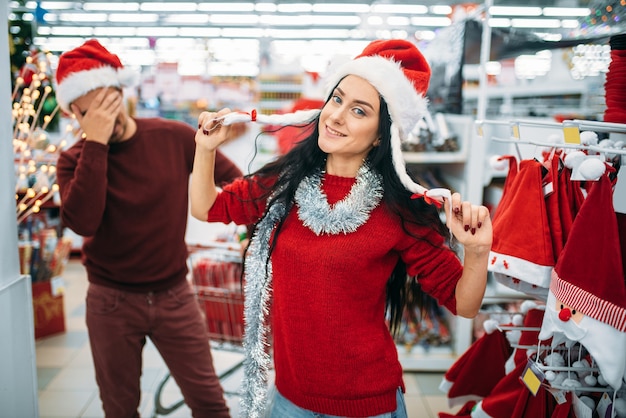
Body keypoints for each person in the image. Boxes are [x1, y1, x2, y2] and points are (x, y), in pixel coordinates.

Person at [190, 39, 493, 418]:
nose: (336, 116)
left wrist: (477, 252)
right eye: (336, 99)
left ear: (382, 134)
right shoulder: (284, 183)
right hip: (288, 400)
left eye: (359, 111)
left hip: (368, 405)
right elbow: (208, 207)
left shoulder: (400, 210)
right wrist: (205, 149)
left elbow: (464, 304)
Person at [55, 39, 242, 418]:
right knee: (120, 408)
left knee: (209, 403)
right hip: (111, 302)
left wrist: (245, 227)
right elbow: (84, 221)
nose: (109, 115)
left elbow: (235, 180)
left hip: (175, 294)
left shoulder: (171, 136)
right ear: (76, 112)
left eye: (111, 101)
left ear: (121, 92)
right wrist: (96, 144)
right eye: (95, 111)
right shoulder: (73, 160)